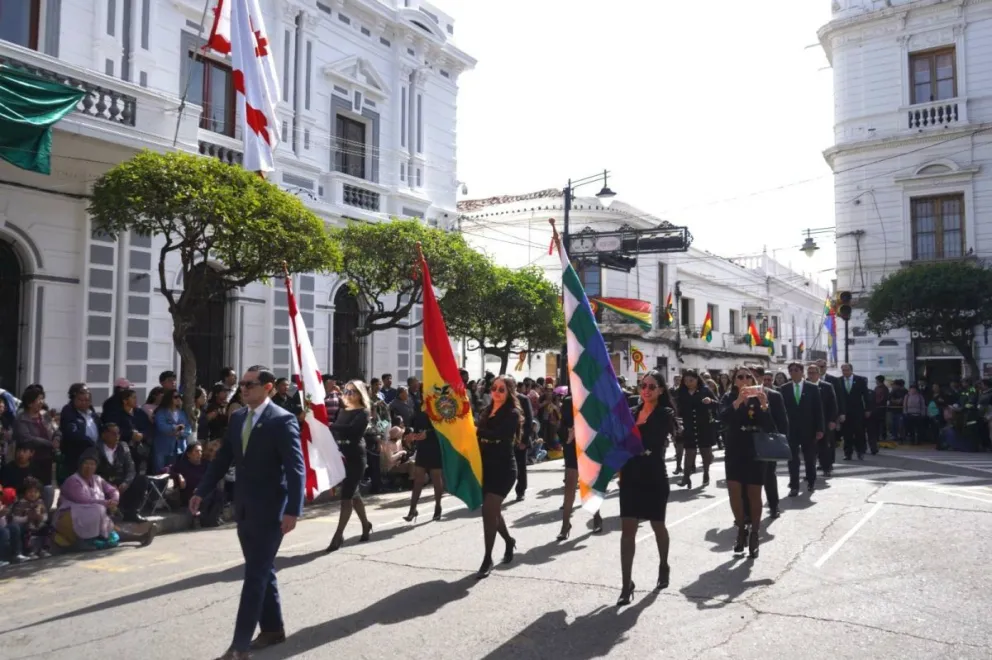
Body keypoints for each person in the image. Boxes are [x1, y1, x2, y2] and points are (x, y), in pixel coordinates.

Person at [189, 366, 305, 660]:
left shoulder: (282, 420)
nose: (243, 389)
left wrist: (293, 509)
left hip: (271, 512)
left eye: (249, 384)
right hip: (244, 507)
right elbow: (222, 459)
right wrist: (201, 490)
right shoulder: (238, 417)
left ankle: (239, 647)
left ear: (267, 387)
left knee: (254, 575)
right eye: (241, 384)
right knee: (262, 569)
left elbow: (295, 468)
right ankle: (273, 629)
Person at [616, 370, 677, 606]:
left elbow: (650, 440)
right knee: (627, 530)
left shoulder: (665, 413)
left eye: (652, 386)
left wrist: (628, 440)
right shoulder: (630, 413)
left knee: (657, 525)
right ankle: (626, 584)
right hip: (630, 475)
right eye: (643, 385)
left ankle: (663, 564)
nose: (647, 389)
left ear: (661, 390)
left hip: (653, 475)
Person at [720, 367, 787, 559]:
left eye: (747, 377)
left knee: (753, 493)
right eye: (739, 377)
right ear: (734, 381)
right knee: (734, 493)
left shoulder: (762, 396)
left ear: (753, 379)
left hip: (756, 449)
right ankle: (741, 530)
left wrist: (764, 406)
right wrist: (739, 401)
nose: (744, 380)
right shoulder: (728, 397)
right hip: (734, 448)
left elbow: (771, 427)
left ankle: (755, 533)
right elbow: (723, 418)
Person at [475, 375, 520, 579]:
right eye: (494, 388)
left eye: (502, 389)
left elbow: (500, 435)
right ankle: (509, 541)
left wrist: (479, 431)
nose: (496, 392)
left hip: (504, 468)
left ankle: (487, 557)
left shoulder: (512, 413)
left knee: (488, 510)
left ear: (509, 392)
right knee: (493, 511)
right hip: (486, 466)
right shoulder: (486, 411)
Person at [326, 380, 373, 552]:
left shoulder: (364, 412)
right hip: (342, 454)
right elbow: (338, 429)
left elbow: (353, 431)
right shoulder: (343, 409)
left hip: (355, 457)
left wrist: (331, 426)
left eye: (353, 391)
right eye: (347, 391)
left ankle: (338, 535)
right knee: (354, 494)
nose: (349, 394)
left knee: (346, 496)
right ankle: (366, 525)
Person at [779, 362, 823, 496]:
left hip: (808, 429)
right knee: (792, 459)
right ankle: (794, 485)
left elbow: (818, 410)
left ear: (802, 371)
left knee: (809, 458)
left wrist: (820, 429)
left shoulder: (812, 388)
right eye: (791, 370)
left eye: (796, 370)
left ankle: (810, 481)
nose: (793, 372)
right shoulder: (784, 388)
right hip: (791, 430)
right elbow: (781, 410)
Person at [403, 398, 446, 523]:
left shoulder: (439, 409)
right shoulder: (419, 410)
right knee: (418, 480)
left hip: (435, 448)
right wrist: (412, 435)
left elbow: (443, 429)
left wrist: (429, 433)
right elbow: (414, 427)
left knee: (436, 479)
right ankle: (412, 509)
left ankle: (438, 506)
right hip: (422, 448)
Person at [675, 369, 717, 488]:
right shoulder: (682, 392)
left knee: (706, 453)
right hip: (688, 426)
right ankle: (686, 477)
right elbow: (678, 408)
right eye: (686, 381)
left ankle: (706, 473)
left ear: (697, 379)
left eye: (691, 380)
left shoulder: (705, 390)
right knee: (689, 452)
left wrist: (710, 401)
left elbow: (717, 404)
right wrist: (677, 422)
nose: (688, 383)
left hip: (704, 425)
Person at [807, 364, 839, 477]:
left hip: (825, 421)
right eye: (809, 372)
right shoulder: (804, 386)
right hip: (809, 422)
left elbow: (832, 405)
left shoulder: (827, 386)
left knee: (824, 446)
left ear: (818, 373)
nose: (811, 375)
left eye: (813, 372)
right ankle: (810, 472)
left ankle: (826, 467)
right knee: (809, 449)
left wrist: (832, 420)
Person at [840, 363, 873, 460]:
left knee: (859, 432)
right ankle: (848, 453)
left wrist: (868, 409)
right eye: (843, 370)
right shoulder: (838, 381)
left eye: (847, 370)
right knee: (846, 434)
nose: (845, 372)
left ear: (851, 370)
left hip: (858, 411)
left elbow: (866, 395)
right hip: (844, 412)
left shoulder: (860, 380)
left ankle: (860, 451)